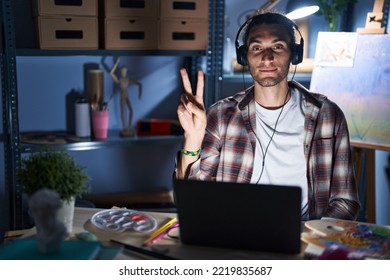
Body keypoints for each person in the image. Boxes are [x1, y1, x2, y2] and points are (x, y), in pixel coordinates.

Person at [176, 12, 360, 221]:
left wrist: (309, 237)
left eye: (278, 46)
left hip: (306, 242)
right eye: (257, 48)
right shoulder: (220, 115)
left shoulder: (327, 115)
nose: (267, 57)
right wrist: (192, 137)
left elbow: (346, 201)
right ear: (245, 57)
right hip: (237, 238)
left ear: (295, 54)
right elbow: (193, 199)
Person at [110, 58, 142, 137]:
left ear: (126, 71)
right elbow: (111, 73)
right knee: (122, 112)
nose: (123, 72)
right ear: (121, 72)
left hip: (126, 95)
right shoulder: (119, 80)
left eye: (125, 71)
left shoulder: (128, 80)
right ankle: (124, 127)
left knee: (130, 110)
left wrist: (140, 94)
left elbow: (139, 84)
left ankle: (129, 126)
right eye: (122, 71)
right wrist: (117, 63)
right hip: (122, 95)